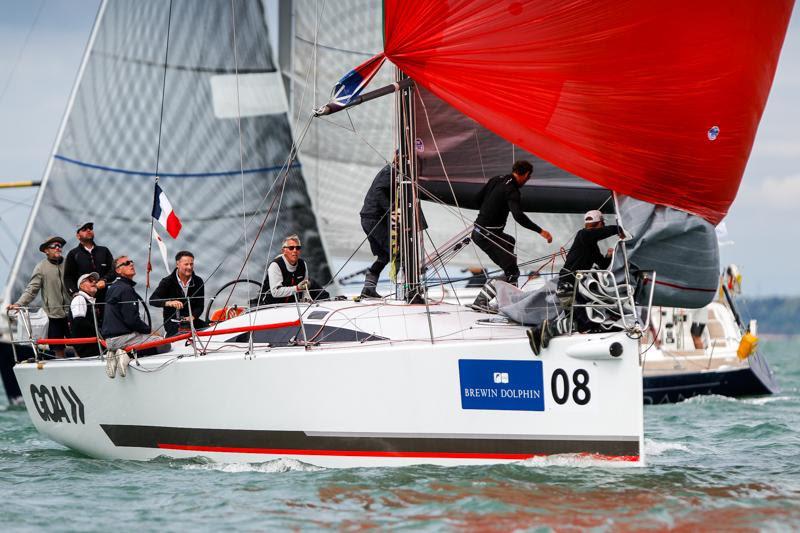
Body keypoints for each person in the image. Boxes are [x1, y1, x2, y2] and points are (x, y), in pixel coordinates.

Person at [527, 210, 624, 354]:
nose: (604, 227)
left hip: (570, 286)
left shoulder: (591, 245)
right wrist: (618, 229)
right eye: (603, 224)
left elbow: (603, 265)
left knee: (578, 321)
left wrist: (609, 255)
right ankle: (543, 329)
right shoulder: (583, 235)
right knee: (585, 322)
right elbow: (600, 233)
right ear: (599, 224)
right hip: (569, 286)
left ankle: (541, 334)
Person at [470, 160, 552, 309]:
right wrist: (541, 231)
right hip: (487, 235)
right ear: (526, 174)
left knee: (509, 240)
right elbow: (518, 216)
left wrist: (490, 209)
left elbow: (476, 200)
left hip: (481, 230)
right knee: (512, 273)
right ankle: (481, 302)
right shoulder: (512, 191)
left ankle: (508, 299)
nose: (527, 181)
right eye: (528, 177)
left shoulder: (496, 179)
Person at [8, 236, 72, 358]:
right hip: (53, 315)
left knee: (80, 344)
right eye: (54, 246)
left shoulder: (69, 264)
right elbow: (32, 289)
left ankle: (81, 365)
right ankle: (61, 369)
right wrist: (19, 304)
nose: (58, 248)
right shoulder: (41, 267)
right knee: (58, 348)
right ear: (46, 251)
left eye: (59, 246)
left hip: (72, 313)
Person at [101, 256, 163, 378]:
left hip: (109, 340)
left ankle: (116, 353)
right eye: (126, 263)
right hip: (123, 339)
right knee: (163, 343)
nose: (131, 264)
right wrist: (150, 331)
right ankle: (126, 355)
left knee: (148, 336)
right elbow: (132, 320)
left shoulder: (113, 288)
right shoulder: (126, 289)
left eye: (131, 262)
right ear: (118, 270)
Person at [359, 157, 395, 298]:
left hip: (369, 219)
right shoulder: (390, 171)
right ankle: (410, 289)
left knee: (384, 256)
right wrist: (391, 209)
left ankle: (368, 289)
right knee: (398, 253)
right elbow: (379, 190)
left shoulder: (390, 170)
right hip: (374, 219)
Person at [149, 250, 206, 337]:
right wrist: (169, 303)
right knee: (178, 337)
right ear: (177, 264)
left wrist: (193, 317)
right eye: (186, 264)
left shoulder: (198, 281)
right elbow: (152, 300)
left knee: (211, 330)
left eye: (191, 264)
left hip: (192, 320)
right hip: (172, 323)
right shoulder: (167, 281)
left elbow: (200, 306)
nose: (189, 267)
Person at [259, 235, 329, 305]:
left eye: (298, 248)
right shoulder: (275, 265)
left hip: (292, 306)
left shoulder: (302, 264)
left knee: (313, 284)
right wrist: (297, 288)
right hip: (271, 306)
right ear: (283, 251)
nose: (295, 250)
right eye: (291, 248)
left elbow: (305, 289)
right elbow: (275, 292)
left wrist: (306, 300)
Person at [63, 222, 115, 297]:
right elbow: (68, 277)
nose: (88, 230)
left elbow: (113, 270)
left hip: (106, 296)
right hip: (85, 298)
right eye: (84, 229)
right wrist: (74, 293)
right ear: (78, 236)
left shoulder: (104, 251)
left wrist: (104, 280)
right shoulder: (73, 254)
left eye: (90, 228)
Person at [69, 272, 103, 358]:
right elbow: (79, 322)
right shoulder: (79, 299)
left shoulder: (90, 301)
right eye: (90, 280)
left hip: (94, 343)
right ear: (81, 286)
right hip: (87, 346)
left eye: (95, 280)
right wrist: (100, 334)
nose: (94, 282)